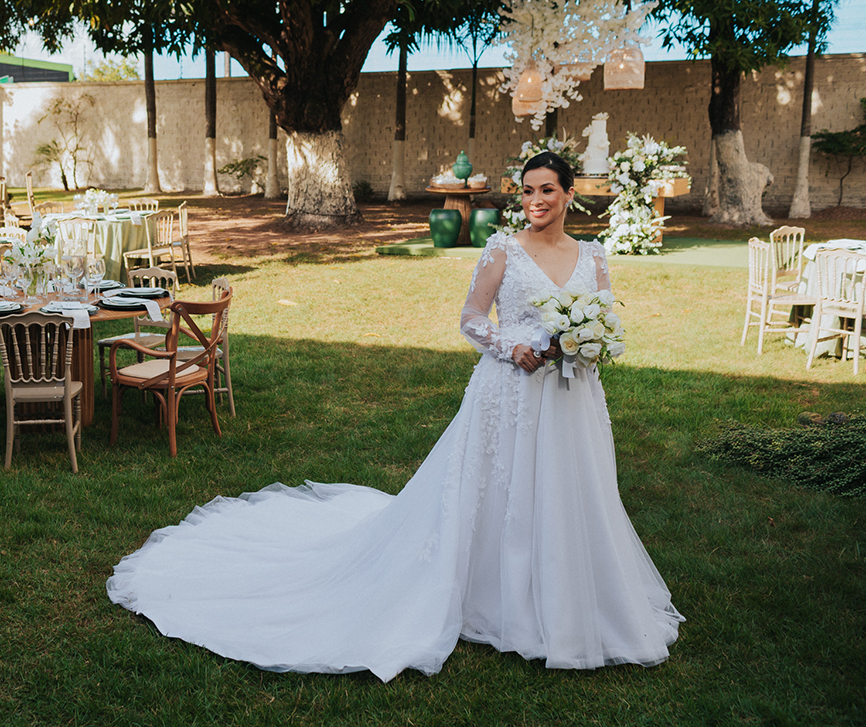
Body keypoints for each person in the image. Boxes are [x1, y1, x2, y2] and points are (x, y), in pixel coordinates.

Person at [107, 152, 684, 681]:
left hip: (570, 396)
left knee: (568, 489)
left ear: (568, 194)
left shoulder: (592, 256)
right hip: (509, 391)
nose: (536, 200)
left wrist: (585, 346)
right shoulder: (503, 249)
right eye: (528, 191)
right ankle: (491, 591)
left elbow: (602, 322)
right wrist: (512, 347)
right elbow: (472, 317)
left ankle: (566, 595)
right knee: (498, 488)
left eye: (548, 190)